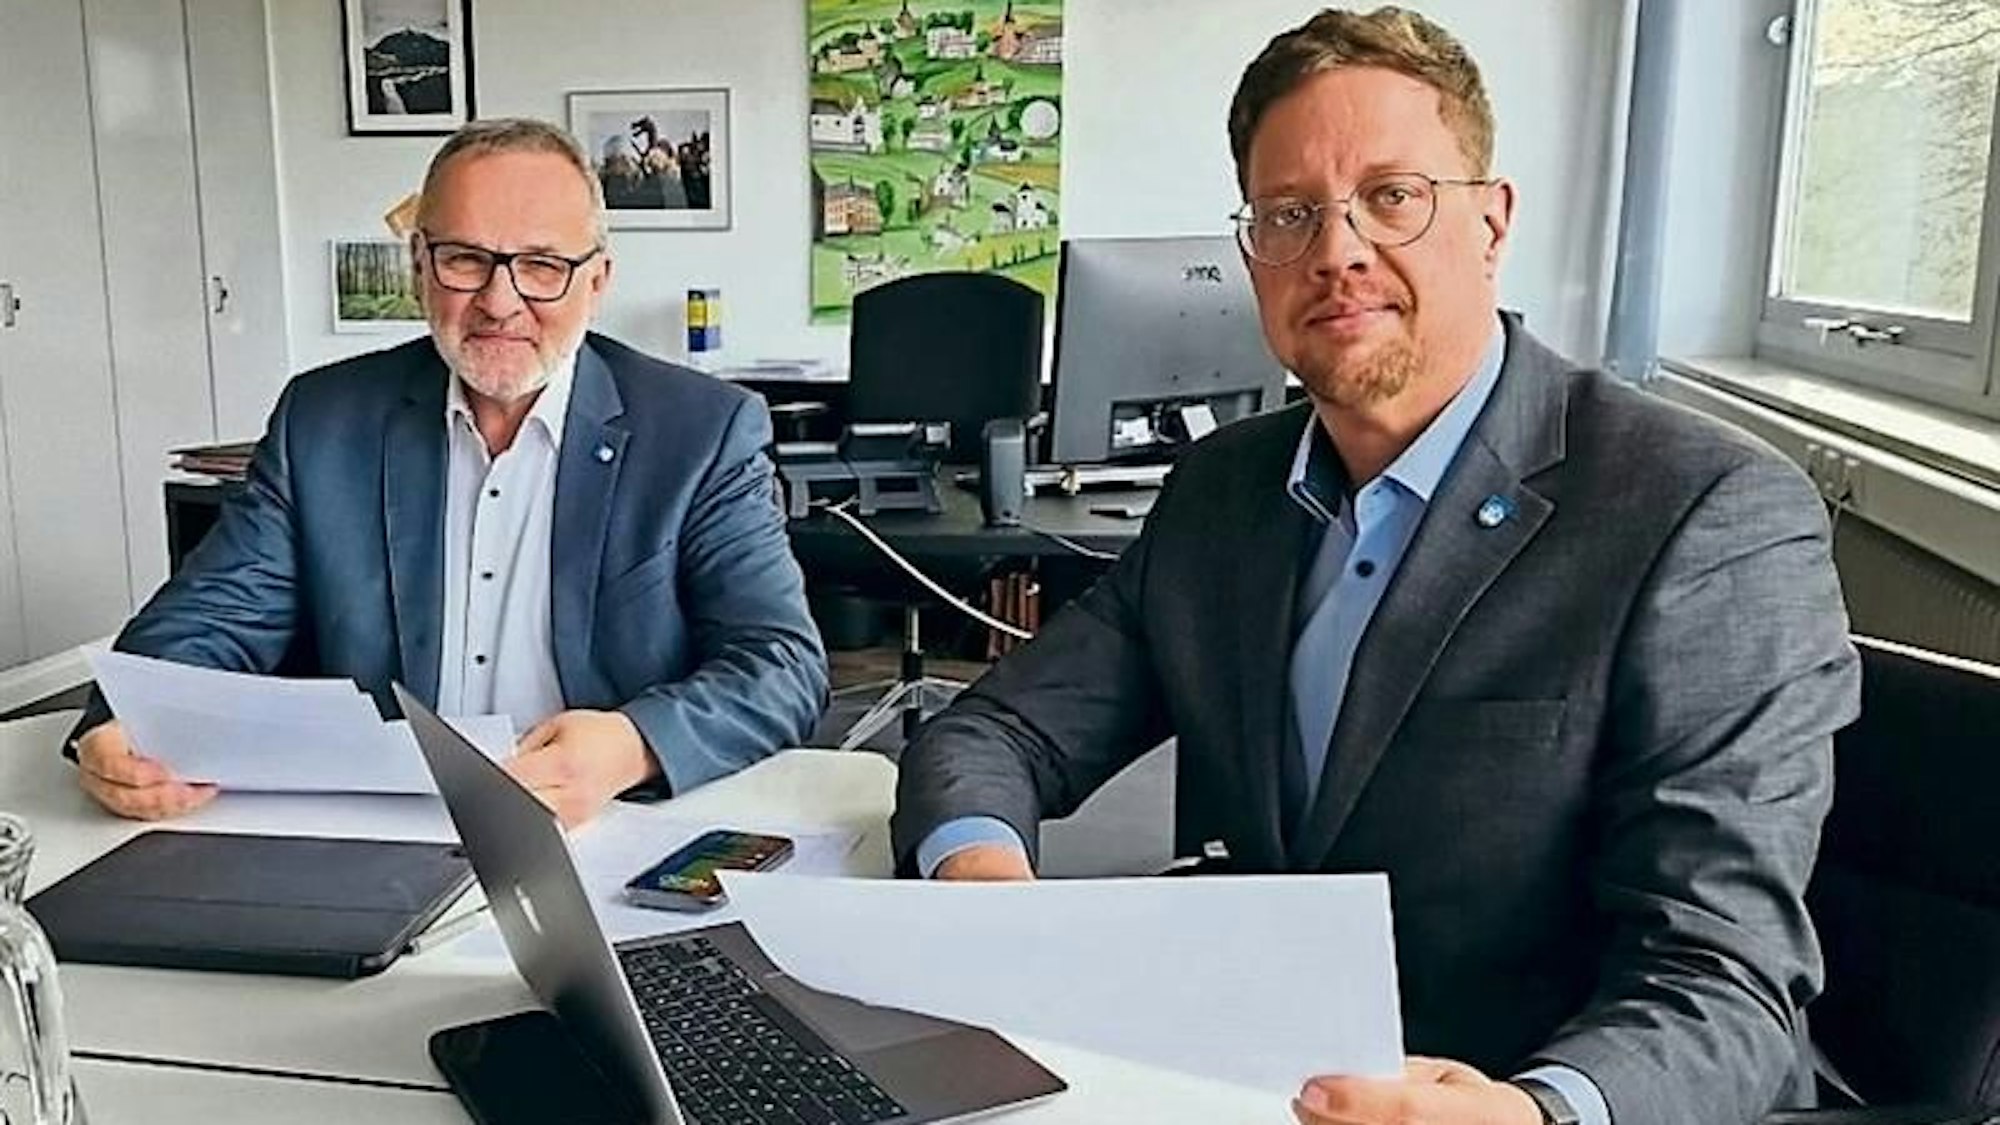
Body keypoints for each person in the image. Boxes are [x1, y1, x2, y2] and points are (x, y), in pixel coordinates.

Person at [890, 9, 1859, 1125]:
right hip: (1248, 1074)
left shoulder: (1702, 512)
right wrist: (983, 891)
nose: (1336, 251)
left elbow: (1723, 984)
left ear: (1490, 224)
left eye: (1391, 197)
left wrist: (1533, 1110)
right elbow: (997, 731)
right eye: (1288, 215)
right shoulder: (1222, 496)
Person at [68, 118, 827, 828]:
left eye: (542, 266)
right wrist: (122, 721)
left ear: (597, 282)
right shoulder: (325, 419)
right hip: (371, 828)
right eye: (466, 259)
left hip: (604, 827)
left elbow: (780, 664)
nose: (500, 301)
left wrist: (631, 744)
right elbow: (209, 619)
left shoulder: (699, 430)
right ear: (420, 265)